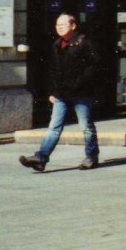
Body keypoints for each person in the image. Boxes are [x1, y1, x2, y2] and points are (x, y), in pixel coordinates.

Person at [19, 13, 101, 172]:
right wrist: (52, 91)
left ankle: (91, 156)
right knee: (54, 127)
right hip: (62, 94)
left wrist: (79, 82)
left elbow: (94, 66)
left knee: (86, 126)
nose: (59, 27)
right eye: (57, 25)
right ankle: (40, 158)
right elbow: (53, 70)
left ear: (73, 26)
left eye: (63, 24)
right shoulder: (57, 44)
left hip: (81, 92)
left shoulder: (84, 42)